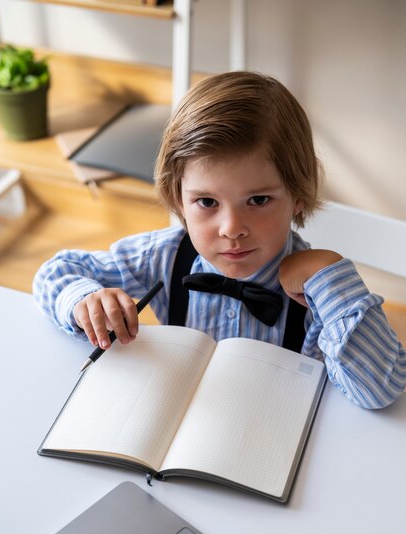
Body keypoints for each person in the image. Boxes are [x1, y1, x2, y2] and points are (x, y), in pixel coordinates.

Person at [33, 71, 406, 409]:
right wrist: (85, 300)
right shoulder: (163, 256)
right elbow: (55, 273)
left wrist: (330, 277)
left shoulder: (319, 293)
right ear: (178, 198)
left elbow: (382, 389)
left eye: (258, 200)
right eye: (207, 202)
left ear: (298, 197)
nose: (232, 228)